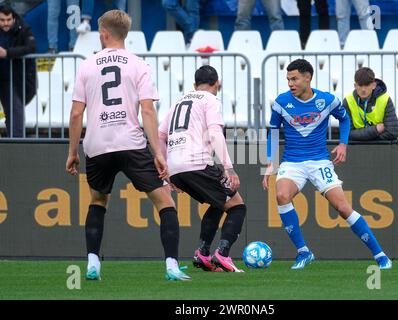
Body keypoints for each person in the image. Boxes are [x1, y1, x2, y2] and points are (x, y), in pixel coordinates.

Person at [66, 10, 190, 281]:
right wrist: (158, 152)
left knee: (98, 201)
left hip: (97, 145)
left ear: (104, 33)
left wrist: (73, 152)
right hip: (131, 144)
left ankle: (93, 263)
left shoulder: (87, 65)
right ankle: (171, 266)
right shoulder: (138, 64)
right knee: (165, 202)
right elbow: (148, 111)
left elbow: (76, 114)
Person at [262, 59, 392, 270]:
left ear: (307, 77)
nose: (290, 83)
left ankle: (380, 255)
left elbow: (344, 119)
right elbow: (273, 132)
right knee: (281, 195)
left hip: (320, 160)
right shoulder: (281, 102)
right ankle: (303, 252)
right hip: (292, 162)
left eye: (294, 79)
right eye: (288, 79)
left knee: (342, 208)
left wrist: (343, 144)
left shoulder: (327, 100)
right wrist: (270, 161)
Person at [158, 65, 247, 273]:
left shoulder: (178, 101)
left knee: (218, 203)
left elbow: (160, 135)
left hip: (175, 168)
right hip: (197, 162)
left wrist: (166, 172)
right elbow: (215, 133)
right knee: (237, 206)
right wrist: (229, 168)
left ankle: (203, 253)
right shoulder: (211, 100)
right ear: (217, 84)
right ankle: (222, 254)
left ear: (194, 85)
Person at [0, 4, 36, 138]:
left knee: (15, 113)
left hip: (15, 79)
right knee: (11, 113)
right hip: (3, 77)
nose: (5, 23)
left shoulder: (23, 28)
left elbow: (31, 47)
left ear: (13, 18)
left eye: (8, 20)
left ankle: (17, 145)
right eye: (2, 20)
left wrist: (7, 53)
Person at [343, 67, 398, 141]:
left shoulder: (385, 99)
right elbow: (347, 134)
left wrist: (364, 138)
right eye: (360, 85)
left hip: (384, 149)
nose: (363, 89)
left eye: (367, 85)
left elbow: (393, 132)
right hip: (358, 149)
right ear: (355, 86)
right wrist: (376, 130)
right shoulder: (347, 101)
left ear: (374, 85)